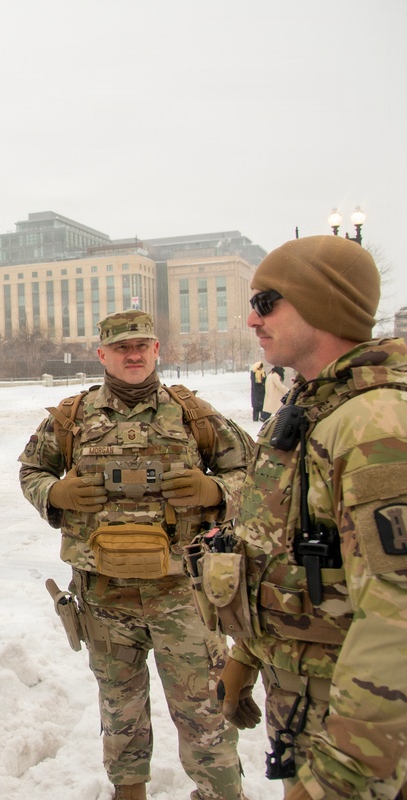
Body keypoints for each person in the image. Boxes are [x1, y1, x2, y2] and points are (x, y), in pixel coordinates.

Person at [18, 310, 252, 800]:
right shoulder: (71, 418)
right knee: (120, 704)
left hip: (183, 594)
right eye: (122, 348)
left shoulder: (195, 416)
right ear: (102, 355)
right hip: (105, 594)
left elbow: (252, 474)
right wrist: (56, 495)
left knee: (204, 706)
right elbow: (32, 471)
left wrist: (215, 490)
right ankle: (129, 791)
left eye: (142, 345)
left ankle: (222, 792)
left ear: (156, 350)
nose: (133, 355)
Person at [209, 236, 407, 800]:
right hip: (306, 713)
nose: (251, 319)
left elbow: (397, 619)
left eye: (267, 302)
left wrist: (339, 777)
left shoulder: (376, 424)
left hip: (363, 751)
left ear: (323, 305)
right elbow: (278, 552)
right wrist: (246, 658)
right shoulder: (306, 411)